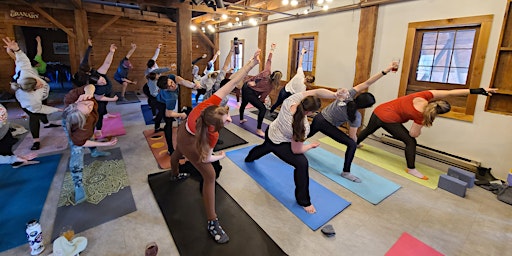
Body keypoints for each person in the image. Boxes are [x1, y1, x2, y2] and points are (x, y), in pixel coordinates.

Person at [169, 48, 261, 244]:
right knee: (209, 175)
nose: (229, 118)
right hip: (190, 141)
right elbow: (207, 157)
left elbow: (234, 81)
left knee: (178, 151)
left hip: (182, 133)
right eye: (226, 119)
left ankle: (174, 173)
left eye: (226, 114)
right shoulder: (211, 134)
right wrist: (220, 156)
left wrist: (251, 64)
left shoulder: (208, 105)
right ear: (213, 126)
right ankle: (212, 221)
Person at [357, 87, 497, 180]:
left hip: (380, 110)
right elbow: (412, 134)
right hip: (388, 118)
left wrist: (479, 90)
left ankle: (354, 143)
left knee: (369, 129)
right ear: (438, 113)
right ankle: (411, 169)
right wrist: (419, 129)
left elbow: (451, 92)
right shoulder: (422, 115)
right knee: (411, 142)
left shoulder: (425, 95)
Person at [245, 88, 347, 214]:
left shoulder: (290, 100)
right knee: (302, 163)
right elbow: (296, 150)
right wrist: (310, 146)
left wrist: (335, 95)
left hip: (271, 132)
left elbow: (316, 92)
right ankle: (304, 201)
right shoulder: (302, 126)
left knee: (265, 147)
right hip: (280, 144)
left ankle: (249, 157)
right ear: (309, 112)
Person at [308, 62, 398, 183]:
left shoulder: (349, 94)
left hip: (318, 118)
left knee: (306, 134)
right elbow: (352, 136)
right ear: (365, 106)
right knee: (351, 144)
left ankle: (289, 143)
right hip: (326, 124)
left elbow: (367, 83)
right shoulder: (356, 117)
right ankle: (346, 172)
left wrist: (385, 71)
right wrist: (355, 143)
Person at [62, 84, 118, 204]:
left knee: (91, 134)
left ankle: (94, 152)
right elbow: (82, 142)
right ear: (86, 116)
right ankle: (78, 185)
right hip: (78, 130)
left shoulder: (72, 98)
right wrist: (106, 144)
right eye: (87, 107)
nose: (90, 104)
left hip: (86, 122)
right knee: (77, 151)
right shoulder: (80, 128)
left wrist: (89, 92)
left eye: (85, 103)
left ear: (76, 102)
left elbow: (90, 86)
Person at [3, 37, 61, 151]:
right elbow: (40, 108)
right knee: (34, 117)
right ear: (32, 90)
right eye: (38, 86)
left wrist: (17, 49)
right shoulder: (29, 99)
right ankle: (36, 141)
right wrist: (57, 110)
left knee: (42, 109)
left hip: (41, 95)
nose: (40, 84)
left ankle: (46, 123)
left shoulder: (26, 70)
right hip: (30, 105)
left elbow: (22, 60)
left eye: (38, 82)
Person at [239, 43, 282, 137]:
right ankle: (258, 129)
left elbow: (269, 60)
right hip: (250, 91)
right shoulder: (270, 86)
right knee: (262, 109)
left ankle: (241, 119)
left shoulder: (267, 72)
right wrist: (262, 101)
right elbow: (262, 98)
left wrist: (272, 49)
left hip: (246, 85)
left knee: (244, 102)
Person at [269, 48, 315, 117]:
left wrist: (302, 53)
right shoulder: (303, 87)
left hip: (285, 91)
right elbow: (300, 97)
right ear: (310, 83)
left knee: (279, 103)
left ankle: (272, 112)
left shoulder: (300, 74)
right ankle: (276, 114)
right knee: (284, 105)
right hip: (287, 92)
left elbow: (300, 62)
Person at [87, 44, 119, 140]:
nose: (103, 81)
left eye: (102, 79)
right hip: (100, 97)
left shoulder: (99, 73)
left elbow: (107, 63)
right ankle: (99, 129)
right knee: (99, 112)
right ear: (96, 84)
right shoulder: (94, 88)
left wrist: (111, 52)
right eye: (101, 82)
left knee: (105, 105)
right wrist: (112, 99)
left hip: (106, 92)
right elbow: (99, 98)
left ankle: (106, 114)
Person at [155, 74, 187, 154]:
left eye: (172, 82)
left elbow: (180, 80)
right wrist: (181, 115)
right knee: (168, 123)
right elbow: (168, 114)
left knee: (161, 115)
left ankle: (156, 127)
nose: (173, 85)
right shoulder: (171, 97)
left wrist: (194, 85)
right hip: (160, 103)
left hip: (161, 97)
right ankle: (170, 149)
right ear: (166, 89)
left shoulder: (170, 77)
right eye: (170, 86)